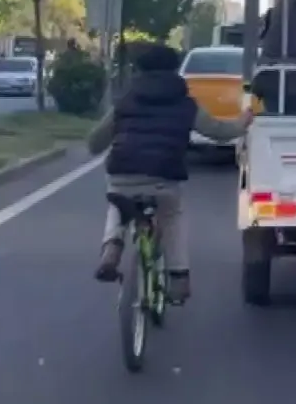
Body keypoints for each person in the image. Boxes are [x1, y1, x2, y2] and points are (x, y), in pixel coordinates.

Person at [86, 43, 254, 303]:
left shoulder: (125, 101)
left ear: (140, 70)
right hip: (164, 175)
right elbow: (219, 132)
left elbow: (94, 143)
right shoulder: (186, 104)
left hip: (123, 171)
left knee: (118, 202)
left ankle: (112, 246)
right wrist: (243, 121)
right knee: (172, 216)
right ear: (175, 70)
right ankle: (178, 277)